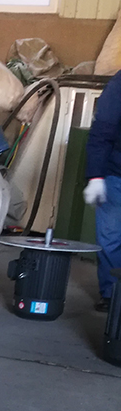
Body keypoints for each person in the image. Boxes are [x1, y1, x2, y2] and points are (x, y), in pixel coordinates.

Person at [84, 69, 121, 311]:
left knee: (111, 239)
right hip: (116, 175)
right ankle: (111, 295)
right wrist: (96, 176)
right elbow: (103, 129)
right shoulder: (120, 85)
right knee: (111, 239)